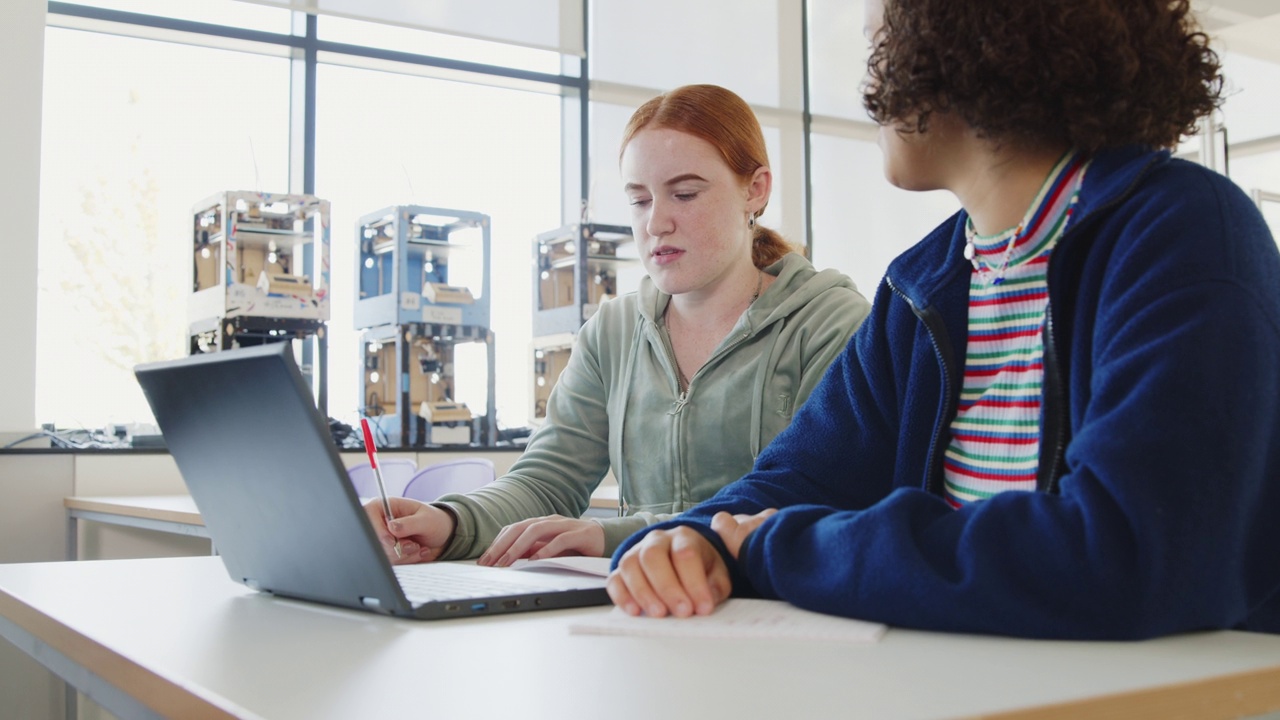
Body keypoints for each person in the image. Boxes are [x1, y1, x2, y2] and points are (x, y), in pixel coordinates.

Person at [607, 0, 1280, 640]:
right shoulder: (924, 282)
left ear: (967, 37)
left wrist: (777, 546)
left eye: (879, 45)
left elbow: (1126, 553)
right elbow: (794, 482)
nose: (868, 83)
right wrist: (689, 540)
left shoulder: (1184, 233)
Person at [367, 84, 872, 566]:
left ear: (755, 190)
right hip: (641, 605)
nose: (656, 224)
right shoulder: (613, 330)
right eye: (639, 200)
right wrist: (451, 521)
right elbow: (547, 480)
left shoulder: (828, 322)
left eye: (686, 194)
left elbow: (811, 499)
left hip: (778, 612)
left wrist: (615, 537)